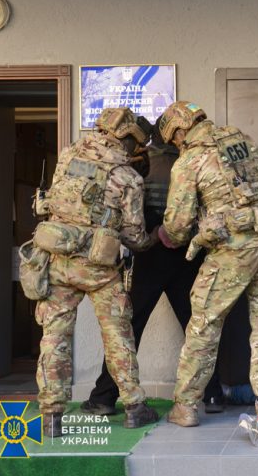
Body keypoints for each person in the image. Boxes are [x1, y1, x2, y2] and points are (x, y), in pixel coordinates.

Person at [157, 101, 258, 427]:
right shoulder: (240, 141)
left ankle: (186, 406)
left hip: (233, 251)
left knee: (204, 325)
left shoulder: (189, 161)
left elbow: (177, 227)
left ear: (178, 131)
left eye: (173, 138)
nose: (175, 144)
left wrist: (167, 234)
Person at [26, 108, 159, 436]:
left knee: (54, 336)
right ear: (127, 138)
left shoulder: (68, 155)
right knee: (117, 333)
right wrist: (157, 237)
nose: (134, 150)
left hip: (58, 261)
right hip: (99, 268)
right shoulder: (128, 177)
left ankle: (52, 415)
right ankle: (134, 407)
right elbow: (135, 237)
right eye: (134, 144)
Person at [81, 116, 225, 416]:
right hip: (187, 252)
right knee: (197, 327)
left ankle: (104, 397)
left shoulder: (139, 164)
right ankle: (212, 396)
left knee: (128, 327)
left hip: (149, 250)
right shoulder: (194, 160)